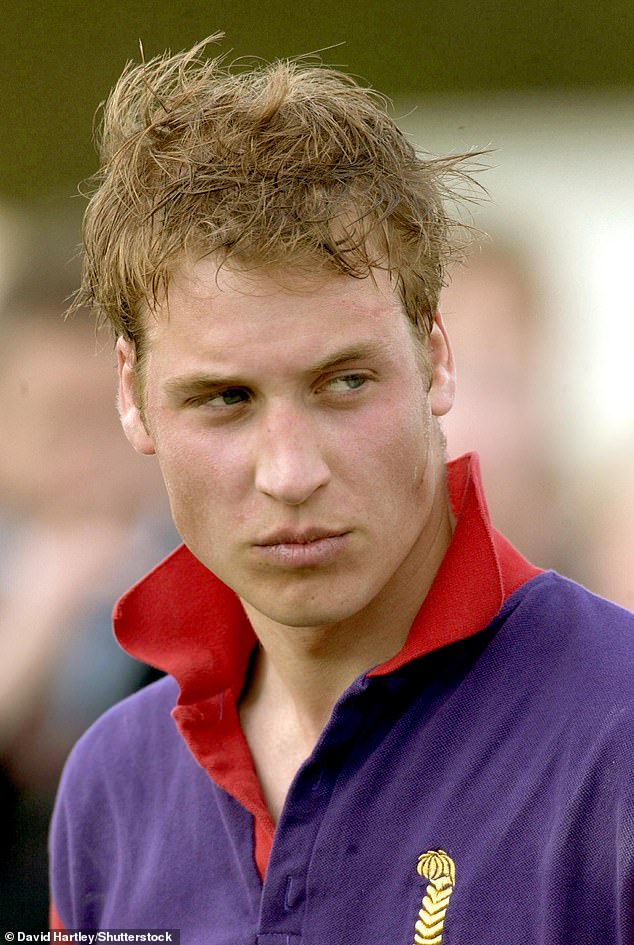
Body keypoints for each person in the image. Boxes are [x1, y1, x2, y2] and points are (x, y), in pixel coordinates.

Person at [50, 35, 634, 944]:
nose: (290, 473)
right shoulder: (109, 788)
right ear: (132, 396)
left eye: (345, 382)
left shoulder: (618, 732)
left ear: (436, 357)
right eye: (225, 399)